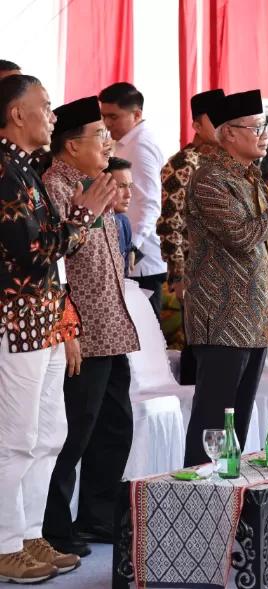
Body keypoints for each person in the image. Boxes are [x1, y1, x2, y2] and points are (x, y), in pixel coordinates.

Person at [0, 74, 116, 582]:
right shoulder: (3, 168)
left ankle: (30, 536)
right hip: (18, 321)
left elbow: (52, 259)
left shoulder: (25, 168)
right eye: (44, 107)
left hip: (45, 321)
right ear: (16, 114)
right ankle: (4, 544)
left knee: (50, 435)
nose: (52, 115)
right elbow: (30, 258)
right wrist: (82, 218)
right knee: (15, 439)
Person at [182, 90, 268, 466]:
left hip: (254, 317)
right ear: (229, 133)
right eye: (256, 127)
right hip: (222, 320)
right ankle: (197, 503)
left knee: (235, 423)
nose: (264, 133)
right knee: (214, 422)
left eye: (264, 126)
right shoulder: (210, 179)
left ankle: (228, 502)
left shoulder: (251, 177)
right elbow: (242, 236)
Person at [41, 96, 139, 557]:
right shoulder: (53, 188)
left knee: (114, 427)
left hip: (111, 330)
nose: (109, 142)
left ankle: (97, 517)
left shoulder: (92, 182)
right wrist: (69, 329)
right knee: (71, 433)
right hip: (81, 334)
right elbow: (52, 267)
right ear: (71, 144)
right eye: (99, 135)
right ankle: (52, 529)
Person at [157, 89, 225, 385]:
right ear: (196, 125)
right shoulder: (184, 163)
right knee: (200, 349)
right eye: (216, 121)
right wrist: (179, 275)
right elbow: (170, 223)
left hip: (227, 272)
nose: (224, 127)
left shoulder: (228, 162)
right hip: (196, 274)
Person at [99, 82, 167, 320]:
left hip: (140, 259)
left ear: (137, 114)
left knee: (146, 343)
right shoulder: (125, 142)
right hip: (128, 253)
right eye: (104, 116)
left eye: (114, 116)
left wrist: (132, 246)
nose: (107, 123)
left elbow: (151, 204)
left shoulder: (141, 145)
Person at [107, 157, 136, 276]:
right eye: (121, 186)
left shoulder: (123, 222)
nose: (128, 194)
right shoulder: (92, 224)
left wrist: (132, 250)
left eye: (129, 186)